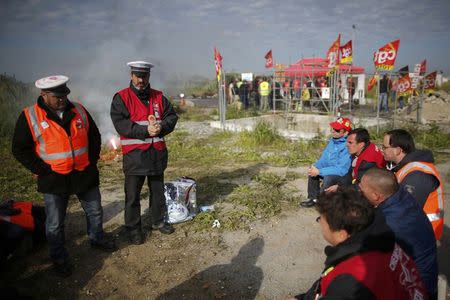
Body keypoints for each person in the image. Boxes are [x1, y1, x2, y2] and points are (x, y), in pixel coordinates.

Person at [12, 75, 116, 276]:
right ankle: (58, 256)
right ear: (44, 95)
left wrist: (91, 160)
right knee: (55, 222)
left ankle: (97, 238)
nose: (62, 99)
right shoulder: (30, 116)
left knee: (94, 211)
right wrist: (42, 169)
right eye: (57, 96)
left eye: (64, 95)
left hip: (83, 173)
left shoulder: (78, 110)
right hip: (53, 178)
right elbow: (19, 148)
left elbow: (94, 136)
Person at [290, 188, 427, 300]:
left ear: (342, 234)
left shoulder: (350, 281)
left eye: (321, 220)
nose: (319, 223)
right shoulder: (384, 240)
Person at [110, 61, 178, 245]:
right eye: (137, 76)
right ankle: (133, 229)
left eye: (144, 76)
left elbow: (172, 117)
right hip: (135, 156)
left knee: (157, 192)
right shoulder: (121, 98)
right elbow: (121, 124)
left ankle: (157, 221)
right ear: (131, 75)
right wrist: (145, 131)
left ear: (149, 76)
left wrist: (162, 126)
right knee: (132, 196)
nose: (141, 80)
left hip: (156, 154)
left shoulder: (159, 96)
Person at [359, 168, 438, 299]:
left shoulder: (390, 224)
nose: (359, 191)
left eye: (361, 190)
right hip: (425, 272)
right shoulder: (400, 194)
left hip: (417, 289)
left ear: (376, 196)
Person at [381, 129, 444, 240]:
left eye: (385, 147)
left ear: (398, 150)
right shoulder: (404, 167)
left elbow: (404, 211)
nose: (382, 151)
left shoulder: (418, 175)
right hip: (414, 230)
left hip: (422, 235)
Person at [300, 117, 352, 207]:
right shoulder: (333, 141)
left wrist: (320, 172)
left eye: (337, 130)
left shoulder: (348, 146)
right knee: (313, 170)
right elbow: (324, 159)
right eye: (333, 128)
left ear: (345, 133)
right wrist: (316, 166)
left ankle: (323, 202)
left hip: (341, 175)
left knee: (328, 177)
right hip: (330, 169)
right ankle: (314, 198)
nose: (333, 131)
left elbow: (342, 169)